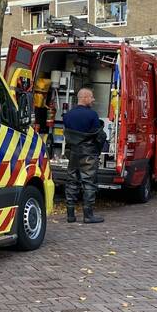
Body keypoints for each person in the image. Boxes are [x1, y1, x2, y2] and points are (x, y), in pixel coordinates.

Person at [63, 88, 105, 224]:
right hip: (88, 153)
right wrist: (97, 151)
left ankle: (70, 215)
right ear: (85, 98)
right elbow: (99, 135)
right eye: (91, 97)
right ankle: (88, 215)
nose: (93, 100)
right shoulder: (92, 115)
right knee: (88, 183)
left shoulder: (68, 115)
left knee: (71, 181)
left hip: (73, 152)